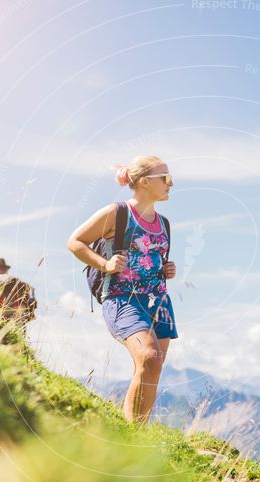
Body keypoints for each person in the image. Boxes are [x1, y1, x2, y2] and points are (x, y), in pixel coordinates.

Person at [67, 155, 177, 424]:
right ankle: (131, 434)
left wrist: (166, 268)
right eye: (165, 178)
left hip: (158, 300)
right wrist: (104, 264)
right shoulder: (118, 213)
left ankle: (137, 436)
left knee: (153, 365)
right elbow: (75, 242)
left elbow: (151, 257)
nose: (170, 184)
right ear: (142, 182)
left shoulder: (164, 223)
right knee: (150, 357)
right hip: (122, 299)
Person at [0, 257, 37, 328]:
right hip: (19, 318)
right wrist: (28, 314)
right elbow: (32, 299)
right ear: (6, 270)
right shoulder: (19, 281)